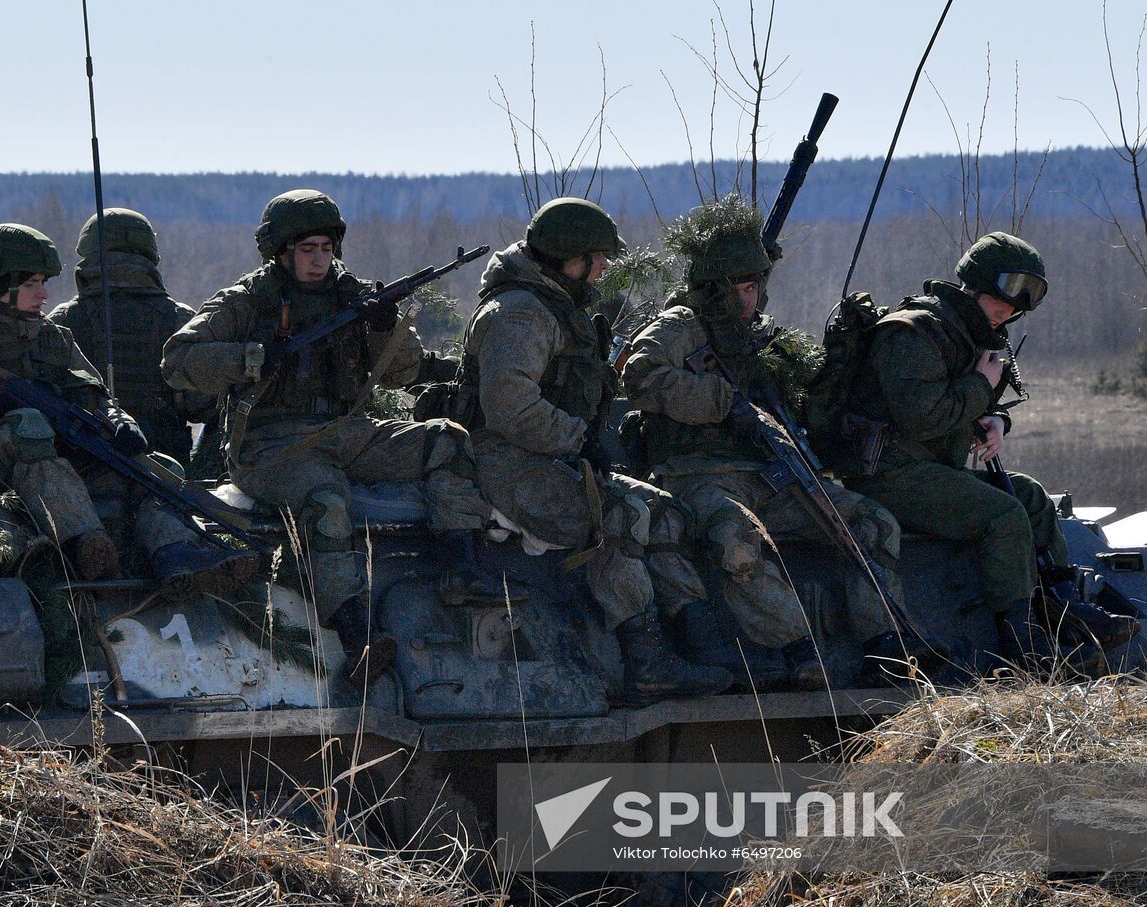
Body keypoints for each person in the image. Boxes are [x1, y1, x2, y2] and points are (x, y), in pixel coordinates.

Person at [161, 190, 493, 686]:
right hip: (269, 447)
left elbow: (402, 373)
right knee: (326, 501)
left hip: (344, 432)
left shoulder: (352, 295)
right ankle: (356, 637)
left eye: (325, 247)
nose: (319, 260)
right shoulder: (249, 300)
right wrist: (252, 359)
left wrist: (384, 326)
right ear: (280, 252)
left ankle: (459, 570)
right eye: (306, 250)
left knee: (446, 442)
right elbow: (177, 361)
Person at [621, 195, 913, 689]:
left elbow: (807, 407)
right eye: (735, 288)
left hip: (770, 477)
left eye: (752, 286)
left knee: (869, 522)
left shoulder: (761, 343)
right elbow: (640, 374)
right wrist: (719, 401)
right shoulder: (680, 328)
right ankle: (793, 649)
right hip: (700, 476)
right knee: (736, 538)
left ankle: (885, 645)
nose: (746, 299)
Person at [453, 197, 731, 704]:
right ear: (566, 257)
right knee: (613, 517)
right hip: (499, 459)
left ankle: (704, 645)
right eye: (596, 258)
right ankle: (646, 661)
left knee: (665, 514)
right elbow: (510, 409)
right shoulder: (519, 314)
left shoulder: (555, 304)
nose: (604, 268)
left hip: (546, 454)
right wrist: (579, 439)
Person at [0, 223, 252, 595]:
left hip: (50, 465)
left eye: (44, 282)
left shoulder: (50, 338)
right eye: (32, 284)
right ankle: (87, 545)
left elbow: (94, 394)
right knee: (27, 423)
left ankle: (176, 553)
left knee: (157, 468)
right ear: (0, 285)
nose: (44, 294)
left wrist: (118, 422)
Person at [836, 230, 1137, 664]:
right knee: (1002, 513)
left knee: (1030, 496)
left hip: (930, 470)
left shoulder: (969, 334)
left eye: (1019, 305)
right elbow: (923, 418)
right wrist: (981, 386)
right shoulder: (913, 333)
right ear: (975, 285)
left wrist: (996, 419)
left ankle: (1065, 609)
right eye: (1004, 299)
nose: (1009, 311)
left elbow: (975, 404)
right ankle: (1023, 644)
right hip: (887, 474)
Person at [48, 208, 219, 468]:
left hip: (84, 467)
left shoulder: (63, 320)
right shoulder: (179, 319)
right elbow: (202, 407)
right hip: (166, 472)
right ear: (150, 255)